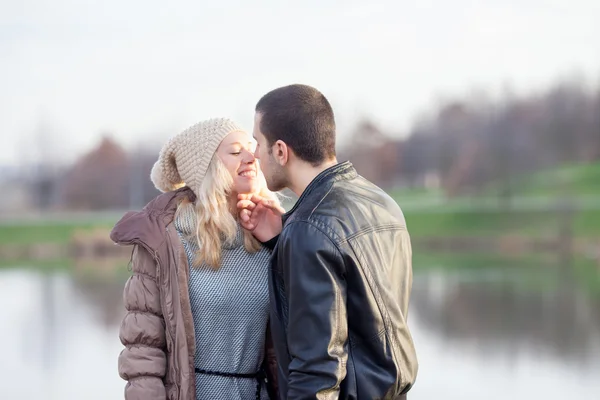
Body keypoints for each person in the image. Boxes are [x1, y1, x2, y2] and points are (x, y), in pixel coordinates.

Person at [237, 84, 418, 399]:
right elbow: (363, 306)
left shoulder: (309, 229)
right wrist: (280, 240)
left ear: (280, 151)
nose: (254, 154)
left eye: (258, 142)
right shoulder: (383, 203)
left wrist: (293, 235)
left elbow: (318, 372)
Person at [110, 118, 280, 400]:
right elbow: (142, 353)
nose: (252, 157)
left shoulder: (271, 233)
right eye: (236, 152)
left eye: (252, 148)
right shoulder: (164, 244)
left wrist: (282, 239)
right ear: (207, 168)